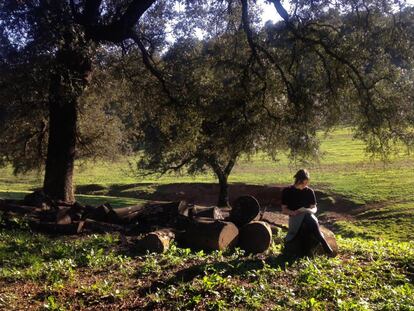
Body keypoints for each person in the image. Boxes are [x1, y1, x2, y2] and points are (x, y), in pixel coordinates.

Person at [281, 169, 334, 255]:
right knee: (308, 217)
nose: (306, 185)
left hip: (309, 216)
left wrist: (308, 210)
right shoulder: (287, 191)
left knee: (308, 216)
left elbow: (314, 209)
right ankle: (323, 242)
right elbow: (284, 210)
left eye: (307, 183)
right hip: (295, 218)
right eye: (304, 183)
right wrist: (293, 213)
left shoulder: (309, 191)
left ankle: (322, 243)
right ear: (298, 180)